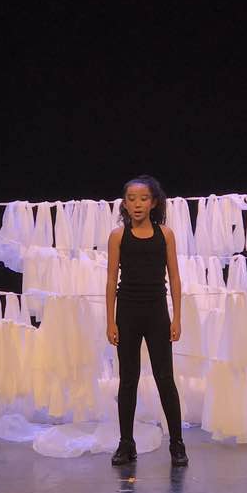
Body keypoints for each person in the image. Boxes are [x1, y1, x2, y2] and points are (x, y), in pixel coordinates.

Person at [106, 175, 187, 467]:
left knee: (165, 379)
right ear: (125, 204)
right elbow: (111, 280)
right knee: (128, 380)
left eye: (143, 199)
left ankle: (177, 443)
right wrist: (110, 321)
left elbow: (175, 277)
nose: (137, 204)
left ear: (153, 203)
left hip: (156, 313)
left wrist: (177, 318)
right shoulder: (118, 236)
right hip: (127, 313)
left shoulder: (165, 234)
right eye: (131, 199)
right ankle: (126, 443)